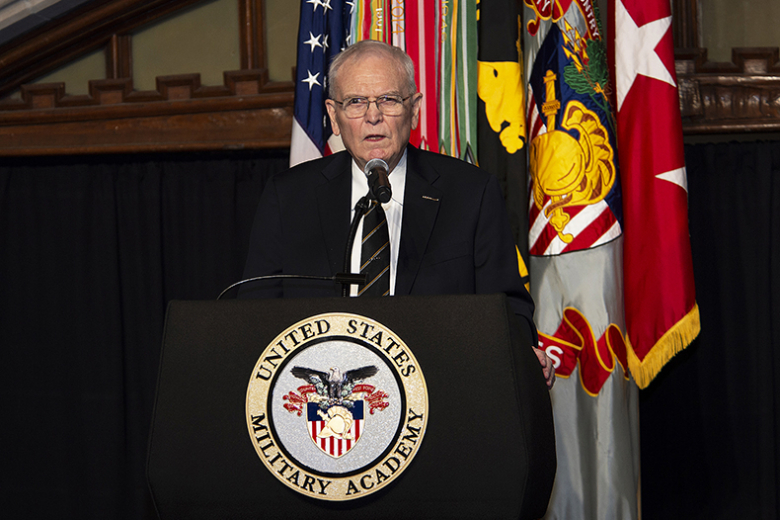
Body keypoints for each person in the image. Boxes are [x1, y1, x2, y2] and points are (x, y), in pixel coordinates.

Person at [242, 40, 554, 389]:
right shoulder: (288, 197)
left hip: (443, 392)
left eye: (388, 100)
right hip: (323, 402)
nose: (372, 116)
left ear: (415, 108)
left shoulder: (470, 193)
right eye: (356, 102)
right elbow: (257, 314)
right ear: (333, 114)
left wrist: (521, 352)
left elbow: (508, 307)